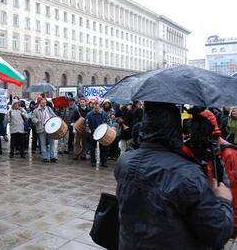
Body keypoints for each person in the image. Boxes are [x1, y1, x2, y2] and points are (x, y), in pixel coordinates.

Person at [115, 101, 234, 249]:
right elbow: (218, 233)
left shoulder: (124, 161)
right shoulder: (188, 174)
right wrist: (223, 200)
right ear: (175, 129)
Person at [32, 99, 57, 163]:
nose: (44, 104)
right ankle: (45, 157)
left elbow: (54, 115)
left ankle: (52, 157)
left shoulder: (48, 109)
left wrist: (55, 119)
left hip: (50, 128)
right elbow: (33, 118)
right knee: (43, 143)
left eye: (45, 103)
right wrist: (37, 121)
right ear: (39, 103)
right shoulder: (36, 110)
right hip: (41, 128)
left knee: (52, 142)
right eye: (43, 103)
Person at [86, 102, 108, 167]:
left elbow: (106, 122)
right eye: (95, 108)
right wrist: (89, 130)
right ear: (93, 107)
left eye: (97, 108)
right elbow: (87, 124)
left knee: (103, 147)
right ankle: (93, 161)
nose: (96, 109)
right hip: (93, 132)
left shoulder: (103, 114)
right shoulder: (89, 114)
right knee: (92, 148)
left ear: (99, 107)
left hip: (102, 133)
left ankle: (103, 162)